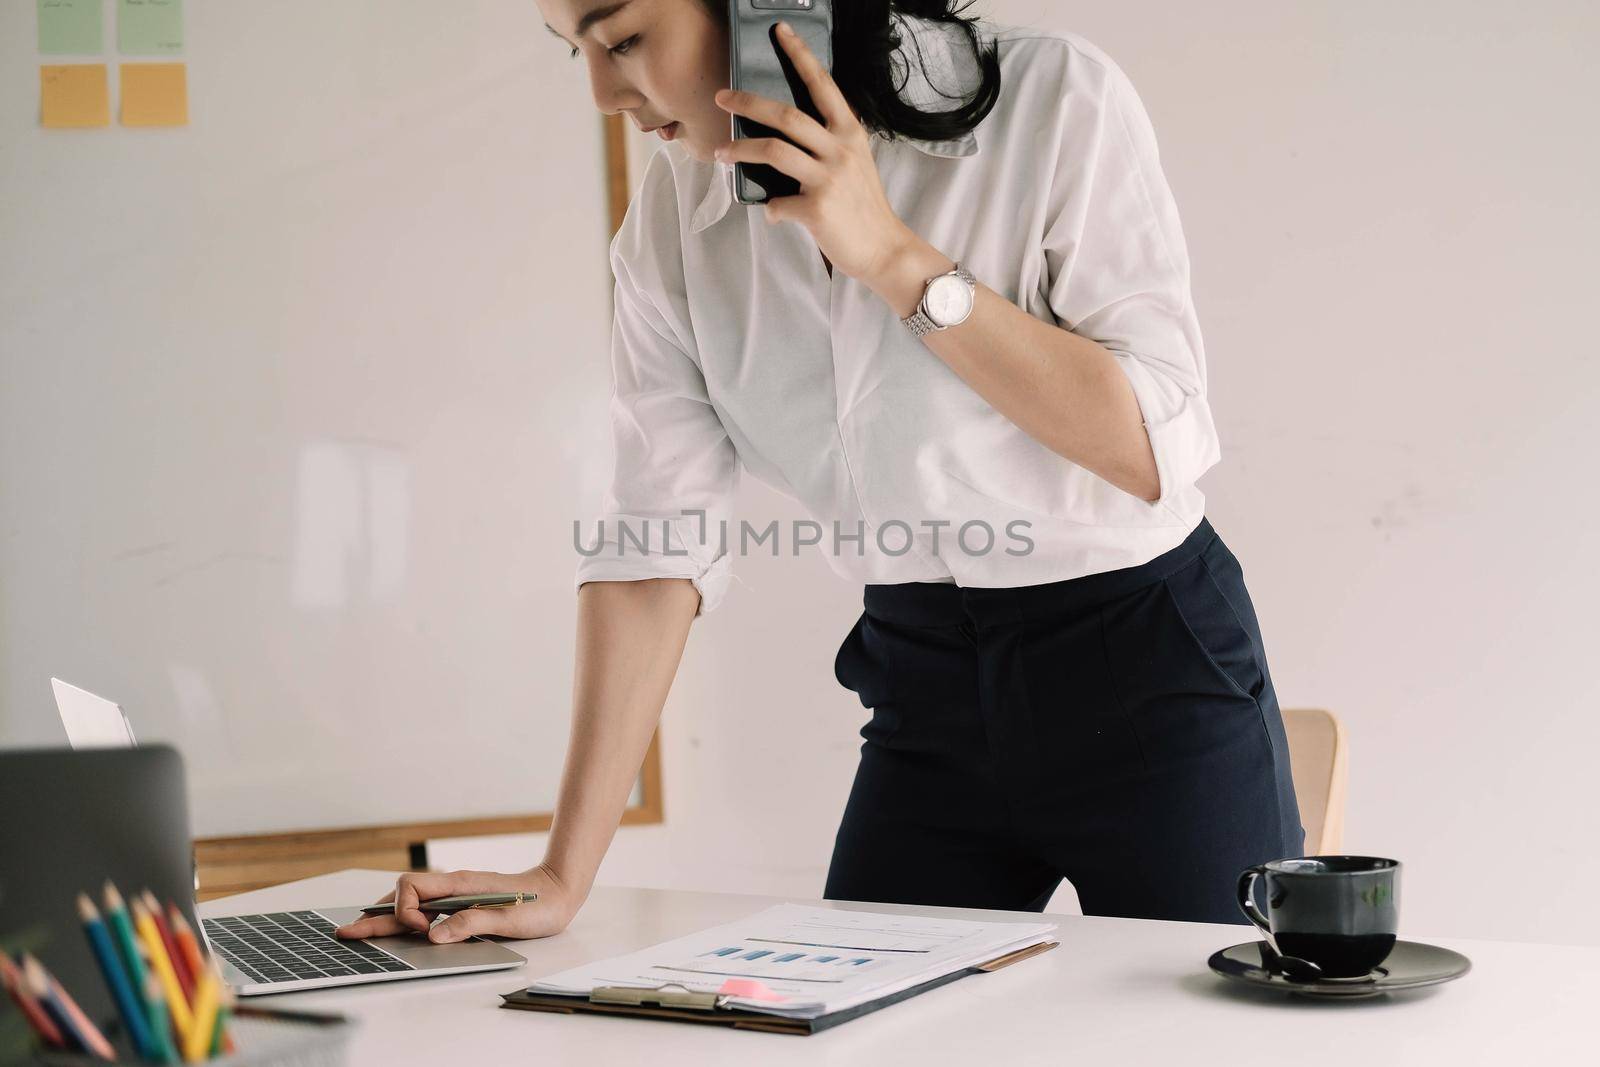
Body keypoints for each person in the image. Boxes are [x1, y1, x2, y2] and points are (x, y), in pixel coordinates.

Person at [335, 0, 1304, 948]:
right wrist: (561, 872)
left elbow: (1148, 448)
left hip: (1145, 667)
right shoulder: (673, 217)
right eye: (572, 52)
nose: (600, 92)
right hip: (923, 685)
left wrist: (887, 253)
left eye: (624, 36)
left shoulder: (1051, 99)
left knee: (1218, 1026)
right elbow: (654, 536)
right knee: (847, 1031)